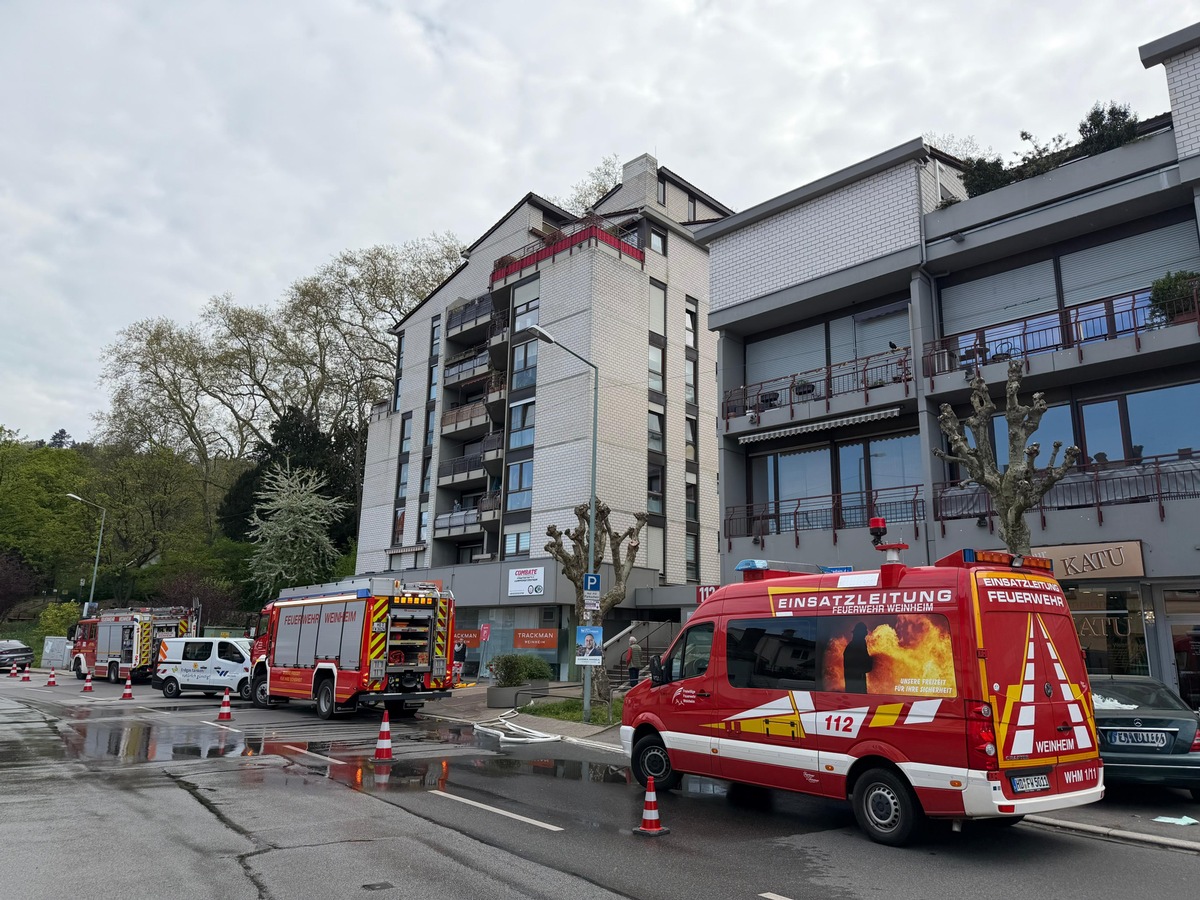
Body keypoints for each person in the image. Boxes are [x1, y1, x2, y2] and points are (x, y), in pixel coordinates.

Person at [842, 622, 874, 693]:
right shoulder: (854, 648)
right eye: (863, 635)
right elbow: (863, 667)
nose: (864, 637)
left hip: (856, 690)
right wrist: (872, 660)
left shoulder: (854, 647)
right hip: (856, 691)